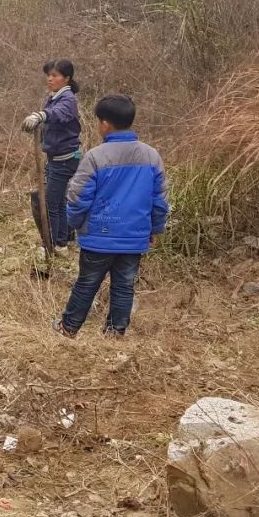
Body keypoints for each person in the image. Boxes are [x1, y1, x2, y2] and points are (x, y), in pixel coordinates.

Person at [55, 94, 169, 337]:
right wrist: (155, 229)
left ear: (105, 124)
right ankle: (116, 331)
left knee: (86, 283)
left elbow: (77, 197)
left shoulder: (95, 157)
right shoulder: (151, 156)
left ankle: (68, 328)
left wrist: (76, 224)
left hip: (98, 236)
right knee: (124, 286)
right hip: (133, 238)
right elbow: (159, 200)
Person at [23, 59, 83, 253]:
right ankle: (64, 239)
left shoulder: (67, 100)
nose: (50, 79)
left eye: (55, 75)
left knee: (51, 203)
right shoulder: (54, 97)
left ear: (67, 78)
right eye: (48, 75)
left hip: (64, 160)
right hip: (57, 158)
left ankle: (57, 244)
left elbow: (57, 114)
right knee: (58, 201)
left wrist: (41, 116)